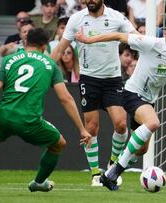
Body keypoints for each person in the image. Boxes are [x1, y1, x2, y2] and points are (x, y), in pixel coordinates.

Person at [75, 16, 166, 191]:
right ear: (165, 33)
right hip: (131, 94)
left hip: (149, 101)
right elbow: (118, 36)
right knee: (153, 122)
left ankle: (113, 170)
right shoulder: (150, 43)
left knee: (141, 150)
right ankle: (112, 173)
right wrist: (88, 39)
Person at [0, 28, 92, 196]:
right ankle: (38, 182)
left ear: (26, 42)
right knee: (59, 144)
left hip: (4, 115)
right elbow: (66, 98)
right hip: (29, 120)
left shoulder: (8, 60)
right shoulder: (49, 64)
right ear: (44, 46)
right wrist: (82, 129)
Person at [51, 0, 137, 187]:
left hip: (113, 79)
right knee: (91, 128)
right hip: (88, 79)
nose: (88, 0)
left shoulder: (116, 17)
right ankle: (96, 174)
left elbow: (136, 37)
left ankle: (112, 165)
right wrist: (43, 70)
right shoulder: (76, 19)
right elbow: (59, 49)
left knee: (121, 124)